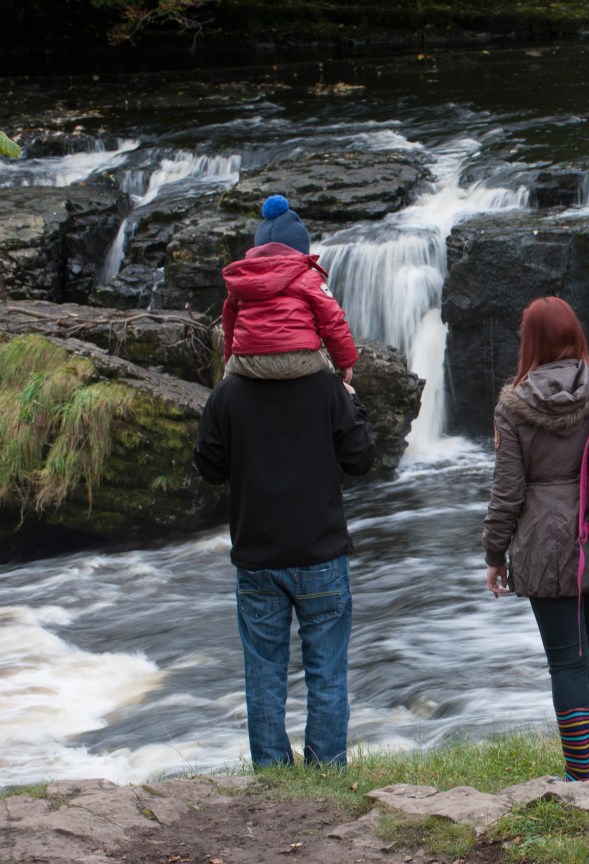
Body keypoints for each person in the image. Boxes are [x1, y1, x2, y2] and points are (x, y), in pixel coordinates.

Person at [483, 296, 589, 782]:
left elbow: (507, 491)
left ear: (529, 342)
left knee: (566, 665)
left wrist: (494, 554)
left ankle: (580, 777)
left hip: (544, 548)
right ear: (576, 335)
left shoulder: (514, 404)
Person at [193, 354, 376, 769]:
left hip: (257, 556)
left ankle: (273, 774)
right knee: (327, 672)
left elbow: (209, 465)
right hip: (321, 554)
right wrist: (352, 402)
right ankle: (327, 771)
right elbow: (360, 458)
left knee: (264, 675)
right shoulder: (327, 388)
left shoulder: (228, 393)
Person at [221, 194, 358, 384]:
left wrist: (229, 362)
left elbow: (229, 326)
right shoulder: (308, 277)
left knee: (226, 385)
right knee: (334, 382)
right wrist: (345, 362)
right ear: (300, 249)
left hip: (248, 359)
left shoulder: (242, 280)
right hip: (298, 359)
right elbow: (332, 320)